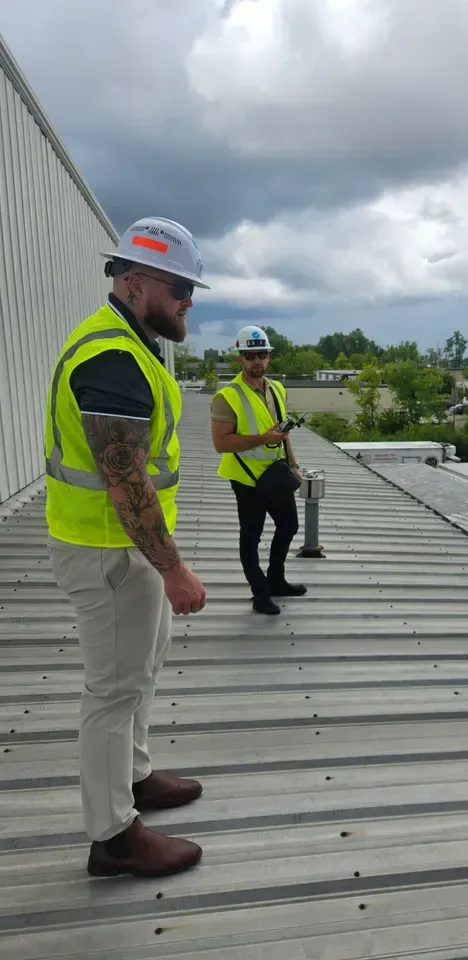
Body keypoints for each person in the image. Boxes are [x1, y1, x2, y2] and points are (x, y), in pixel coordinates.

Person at [45, 216, 208, 878]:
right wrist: (174, 571)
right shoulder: (112, 358)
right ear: (136, 282)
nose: (188, 302)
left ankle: (134, 780)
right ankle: (112, 836)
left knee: (137, 672)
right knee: (113, 691)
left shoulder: (132, 342)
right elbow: (124, 478)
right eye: (180, 288)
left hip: (124, 549)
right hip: (109, 551)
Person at [210, 326, 307, 615]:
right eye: (249, 355)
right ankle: (260, 593)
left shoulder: (276, 388)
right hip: (246, 480)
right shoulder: (226, 397)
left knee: (289, 526)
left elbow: (283, 432)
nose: (256, 361)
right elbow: (221, 443)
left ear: (269, 358)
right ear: (239, 359)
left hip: (275, 474)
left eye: (261, 355)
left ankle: (276, 580)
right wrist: (262, 439)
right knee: (251, 537)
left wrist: (294, 464)